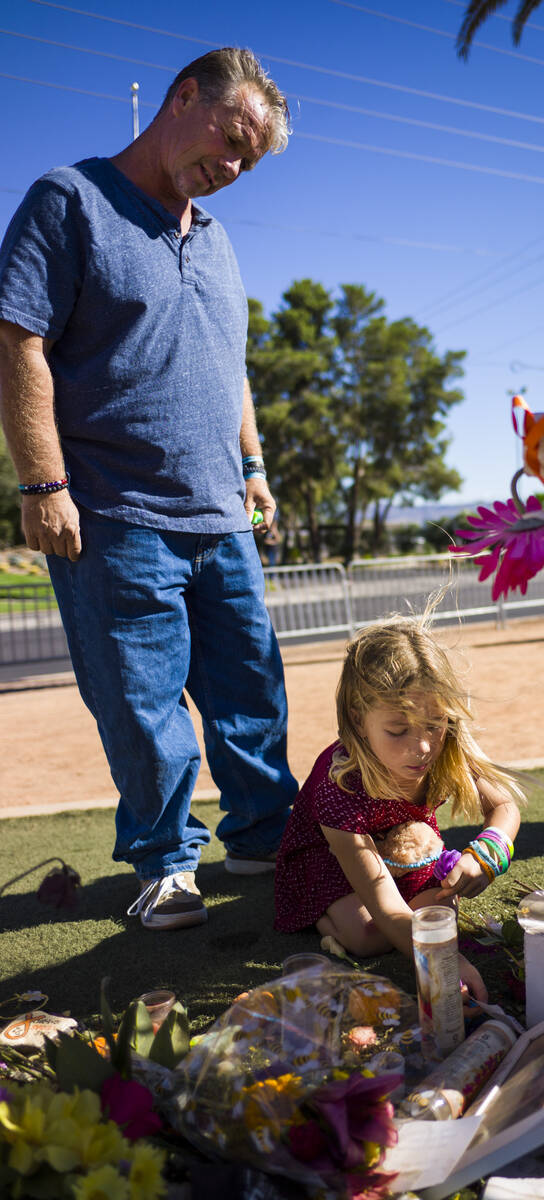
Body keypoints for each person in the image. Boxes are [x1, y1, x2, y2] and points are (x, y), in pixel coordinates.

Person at [0, 48, 298, 931]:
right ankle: (167, 864)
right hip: (115, 512)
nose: (235, 168)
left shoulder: (216, 239)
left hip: (222, 510)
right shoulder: (70, 200)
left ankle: (262, 835)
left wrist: (253, 467)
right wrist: (40, 480)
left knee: (253, 691)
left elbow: (229, 366)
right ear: (182, 98)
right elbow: (18, 343)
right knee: (142, 702)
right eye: (231, 140)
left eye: (251, 161)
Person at [274, 617, 523, 1001]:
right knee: (368, 936)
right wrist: (445, 962)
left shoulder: (447, 746)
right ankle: (323, 916)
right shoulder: (338, 782)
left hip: (403, 850)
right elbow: (387, 908)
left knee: (439, 917)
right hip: (333, 858)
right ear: (358, 719)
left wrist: (487, 854)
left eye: (434, 725)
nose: (422, 747)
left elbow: (504, 805)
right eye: (398, 730)